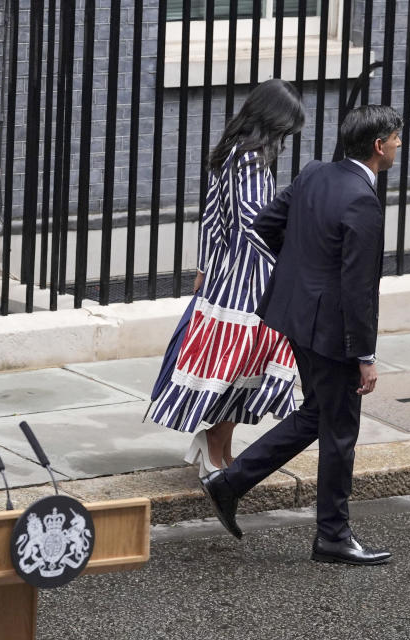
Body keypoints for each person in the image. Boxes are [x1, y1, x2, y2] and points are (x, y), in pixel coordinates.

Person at [199, 104, 403, 565]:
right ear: (378, 146)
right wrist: (365, 356)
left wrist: (304, 276)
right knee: (339, 433)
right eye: (395, 138)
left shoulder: (314, 174)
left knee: (316, 415)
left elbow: (266, 226)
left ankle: (230, 482)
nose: (398, 146)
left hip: (294, 319)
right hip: (333, 333)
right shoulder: (363, 200)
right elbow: (358, 287)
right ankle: (333, 536)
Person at [148, 79, 304, 476]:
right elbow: (256, 223)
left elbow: (213, 218)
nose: (286, 137)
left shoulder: (234, 153)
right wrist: (295, 256)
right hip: (250, 277)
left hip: (232, 272)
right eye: (285, 127)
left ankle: (220, 446)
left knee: (243, 363)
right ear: (272, 120)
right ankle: (215, 447)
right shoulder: (251, 159)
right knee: (243, 361)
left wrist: (204, 268)